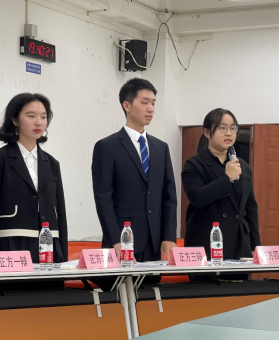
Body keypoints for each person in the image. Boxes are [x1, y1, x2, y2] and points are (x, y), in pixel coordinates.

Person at [92, 78, 178, 291]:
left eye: (153, 103)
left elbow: (169, 197)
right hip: (122, 242)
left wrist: (169, 236)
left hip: (154, 243)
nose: (151, 109)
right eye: (144, 102)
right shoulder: (107, 146)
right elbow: (103, 199)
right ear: (127, 105)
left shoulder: (161, 148)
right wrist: (115, 240)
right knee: (120, 299)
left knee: (150, 300)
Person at [0, 93, 68, 290]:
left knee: (51, 302)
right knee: (15, 302)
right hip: (11, 245)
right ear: (14, 120)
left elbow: (60, 212)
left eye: (43, 117)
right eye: (31, 115)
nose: (38, 122)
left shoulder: (52, 163)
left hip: (49, 247)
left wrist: (64, 258)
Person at [182, 108, 261, 263]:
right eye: (222, 128)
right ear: (207, 132)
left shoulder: (243, 166)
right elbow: (197, 198)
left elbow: (251, 208)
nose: (229, 133)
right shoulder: (194, 164)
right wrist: (227, 178)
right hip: (207, 243)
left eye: (232, 128)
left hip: (240, 243)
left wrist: (255, 244)